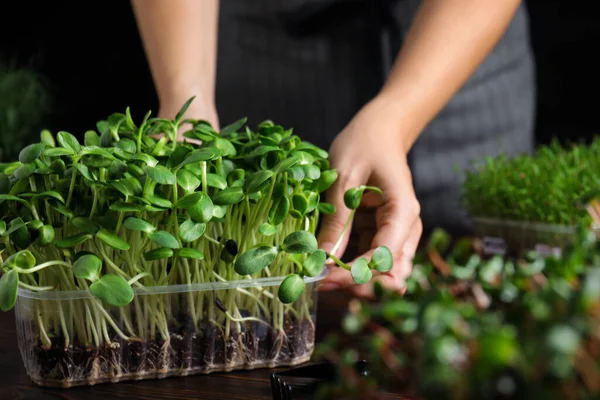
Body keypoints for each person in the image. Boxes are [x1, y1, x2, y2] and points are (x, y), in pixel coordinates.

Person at [131, 0, 535, 298]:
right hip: (255, 45)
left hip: (455, 43)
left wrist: (396, 117)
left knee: (477, 281)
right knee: (254, 251)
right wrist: (187, 97)